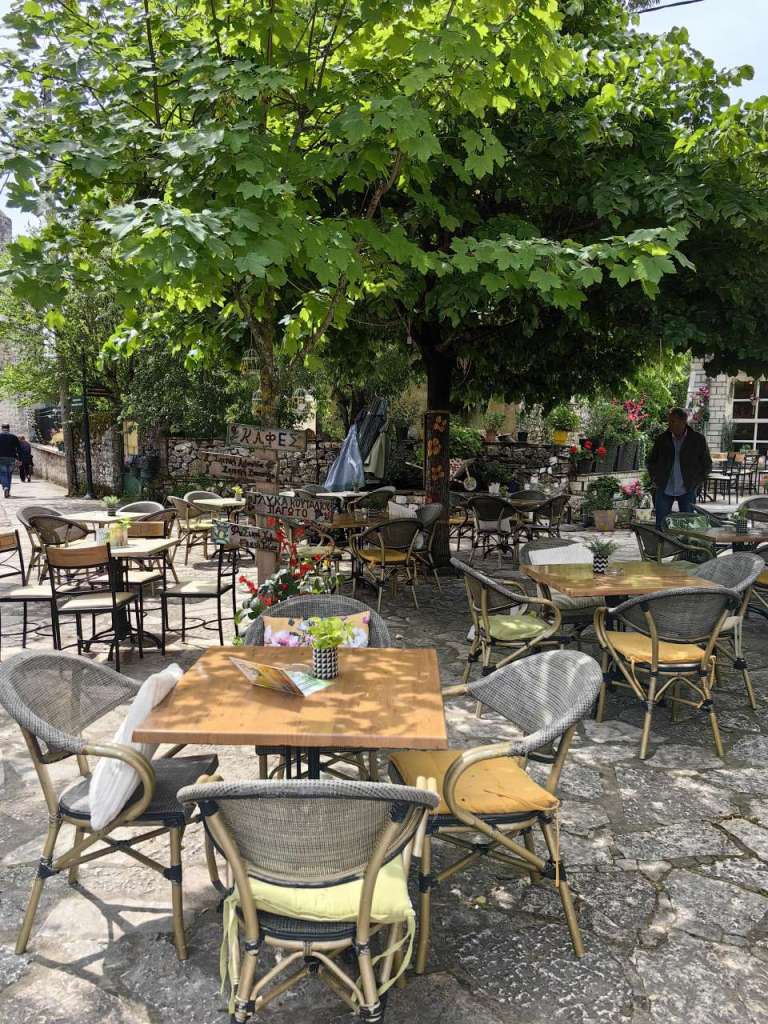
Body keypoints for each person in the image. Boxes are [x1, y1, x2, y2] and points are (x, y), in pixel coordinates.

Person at [646, 407, 712, 529]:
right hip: (664, 487)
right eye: (669, 421)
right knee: (661, 525)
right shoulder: (662, 439)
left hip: (687, 488)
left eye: (672, 421)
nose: (669, 424)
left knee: (688, 525)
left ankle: (684, 542)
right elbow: (651, 461)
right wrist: (655, 478)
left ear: (683, 421)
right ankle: (661, 542)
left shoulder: (697, 439)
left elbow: (707, 464)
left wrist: (696, 482)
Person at [0, 424, 21, 498]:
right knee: (9, 474)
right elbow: (19, 449)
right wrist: (19, 459)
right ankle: (8, 491)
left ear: (2, 428)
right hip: (11, 458)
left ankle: (5, 487)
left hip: (1, 458)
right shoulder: (14, 437)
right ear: (8, 429)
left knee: (3, 474)